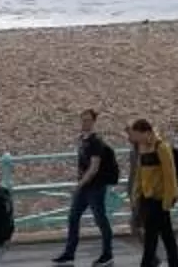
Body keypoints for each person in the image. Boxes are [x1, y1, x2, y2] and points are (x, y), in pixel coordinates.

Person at [55, 109, 118, 264]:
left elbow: (94, 167)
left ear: (93, 122)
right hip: (85, 187)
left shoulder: (96, 142)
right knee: (73, 217)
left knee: (100, 219)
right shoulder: (82, 139)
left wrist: (80, 184)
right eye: (83, 120)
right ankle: (69, 253)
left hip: (95, 187)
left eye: (88, 120)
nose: (85, 123)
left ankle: (107, 253)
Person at [125, 119, 178, 267]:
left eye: (137, 134)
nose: (135, 138)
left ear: (146, 132)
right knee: (166, 237)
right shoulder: (142, 147)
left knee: (151, 238)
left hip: (159, 200)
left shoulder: (161, 147)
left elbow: (170, 175)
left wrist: (168, 201)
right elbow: (140, 173)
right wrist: (136, 193)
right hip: (147, 199)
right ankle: (174, 264)